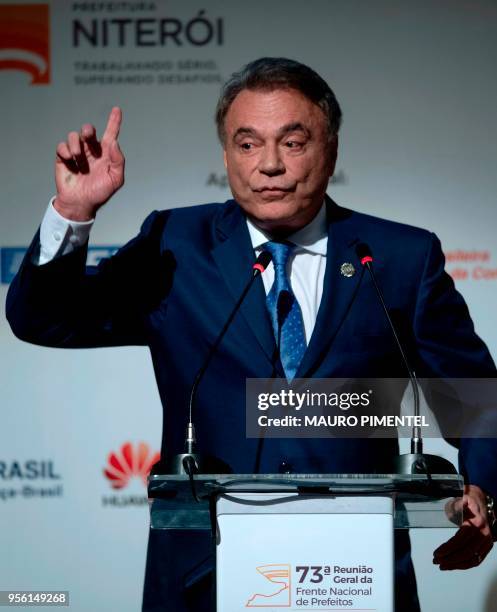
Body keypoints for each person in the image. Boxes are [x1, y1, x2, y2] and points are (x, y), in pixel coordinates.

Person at [6, 57, 497, 612]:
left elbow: (476, 400)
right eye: (247, 144)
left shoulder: (397, 256)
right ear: (226, 156)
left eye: (292, 142)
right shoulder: (176, 244)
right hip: (204, 577)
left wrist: (484, 489)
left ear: (330, 150)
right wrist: (72, 212)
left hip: (357, 576)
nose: (269, 165)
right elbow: (43, 319)